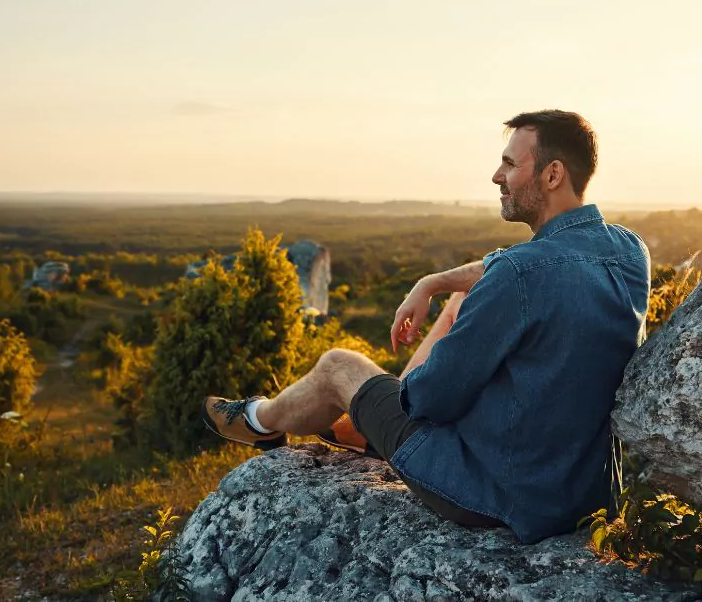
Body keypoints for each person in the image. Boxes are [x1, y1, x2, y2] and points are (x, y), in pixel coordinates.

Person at [202, 110, 651, 543]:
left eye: (510, 164)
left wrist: (396, 392)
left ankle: (258, 421)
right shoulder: (630, 252)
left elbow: (427, 401)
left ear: (552, 175)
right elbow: (509, 270)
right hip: (586, 495)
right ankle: (357, 427)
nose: (497, 176)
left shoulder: (519, 276)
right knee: (463, 298)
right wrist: (434, 282)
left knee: (339, 366)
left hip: (498, 493)